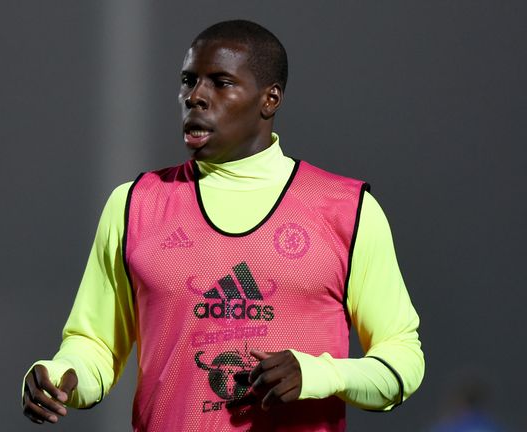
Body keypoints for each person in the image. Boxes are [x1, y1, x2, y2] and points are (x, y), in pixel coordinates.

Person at [22, 19, 424, 431]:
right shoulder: (133, 205)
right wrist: (63, 374)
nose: (195, 97)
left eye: (221, 82)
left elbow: (403, 361)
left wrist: (323, 374)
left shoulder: (347, 210)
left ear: (269, 100)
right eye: (188, 81)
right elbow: (95, 346)